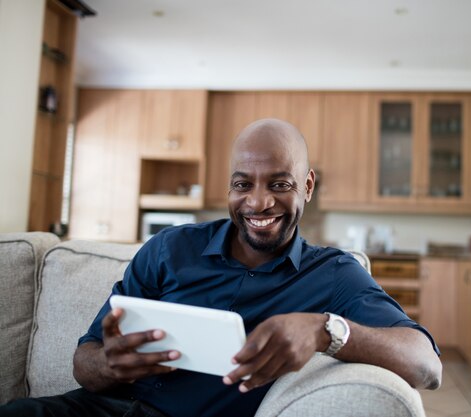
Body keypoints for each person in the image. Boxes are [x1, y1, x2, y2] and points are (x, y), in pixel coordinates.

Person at [0, 118, 441, 417]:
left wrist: (325, 330)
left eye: (280, 184)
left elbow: (426, 367)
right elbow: (85, 361)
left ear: (307, 187)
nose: (258, 202)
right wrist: (110, 364)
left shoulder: (332, 274)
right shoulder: (170, 248)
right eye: (242, 184)